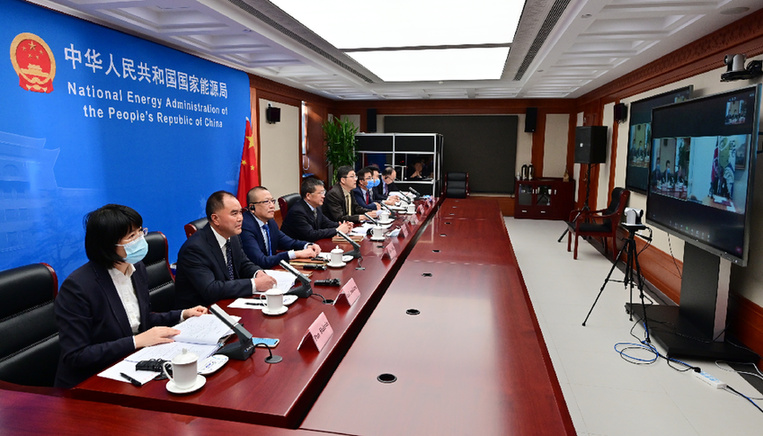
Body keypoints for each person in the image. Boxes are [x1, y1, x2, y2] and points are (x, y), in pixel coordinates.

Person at [54, 204, 207, 388]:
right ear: (108, 245)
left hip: (130, 364)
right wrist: (136, 341)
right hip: (89, 383)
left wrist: (183, 314)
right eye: (131, 236)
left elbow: (140, 320)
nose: (141, 239)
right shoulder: (78, 287)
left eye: (140, 231)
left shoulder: (136, 268)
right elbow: (76, 355)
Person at [174, 190, 277, 309]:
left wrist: (258, 273)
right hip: (201, 312)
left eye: (240, 212)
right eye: (234, 213)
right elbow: (211, 289)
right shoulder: (194, 249)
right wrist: (254, 284)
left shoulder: (232, 236)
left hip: (228, 303)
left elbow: (243, 263)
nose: (240, 218)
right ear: (215, 219)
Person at [241, 186, 320, 268]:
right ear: (252, 208)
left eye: (272, 201)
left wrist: (308, 245)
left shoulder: (270, 222)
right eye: (266, 202)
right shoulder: (245, 227)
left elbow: (289, 242)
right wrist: (295, 254)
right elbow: (261, 261)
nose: (272, 206)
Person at [281, 178, 353, 242]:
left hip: (312, 244)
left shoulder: (316, 206)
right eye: (320, 193)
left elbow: (326, 223)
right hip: (296, 248)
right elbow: (311, 234)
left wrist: (344, 225)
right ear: (308, 196)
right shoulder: (297, 212)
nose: (323, 196)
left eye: (324, 192)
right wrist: (337, 230)